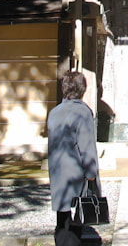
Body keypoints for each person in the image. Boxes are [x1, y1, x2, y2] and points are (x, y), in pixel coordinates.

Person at [47, 71, 101, 246]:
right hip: (75, 170)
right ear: (82, 89)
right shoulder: (82, 112)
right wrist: (91, 172)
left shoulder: (54, 112)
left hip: (57, 169)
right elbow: (86, 145)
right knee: (77, 216)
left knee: (62, 217)